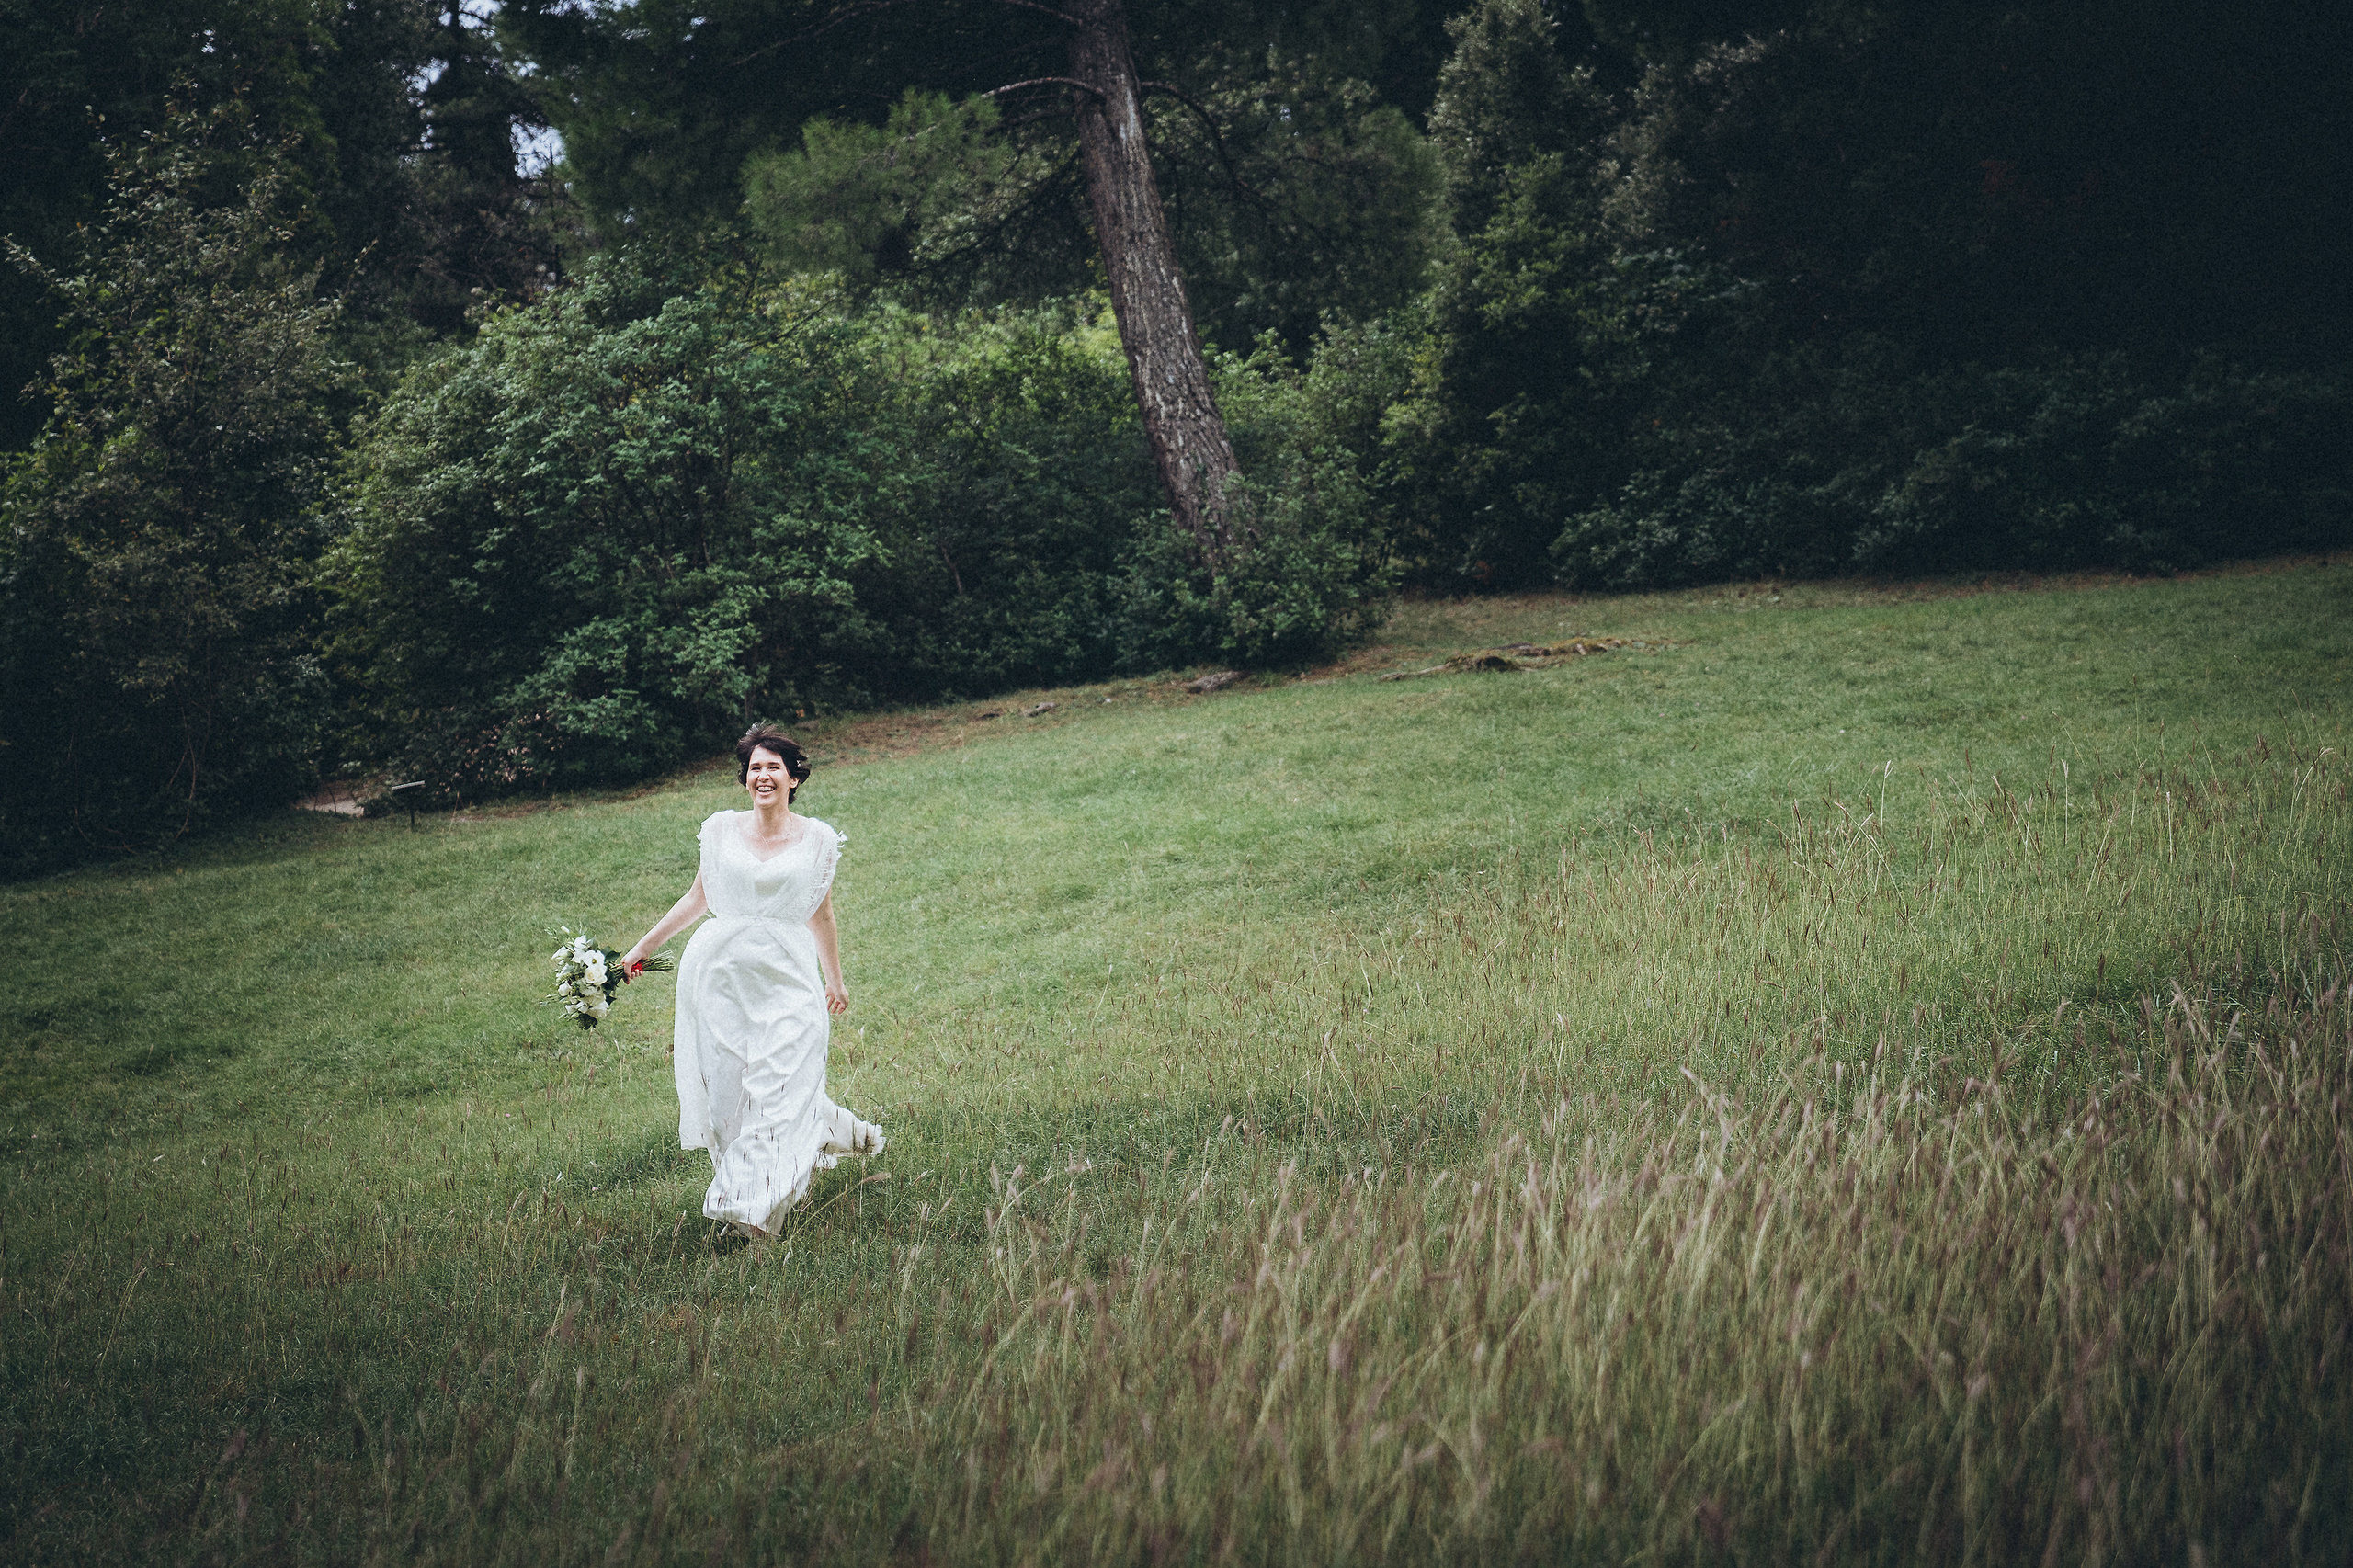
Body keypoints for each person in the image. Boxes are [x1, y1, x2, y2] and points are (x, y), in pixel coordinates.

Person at [622, 723, 884, 1236]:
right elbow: (697, 898)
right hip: (721, 979)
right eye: (754, 768)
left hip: (788, 977)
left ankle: (753, 1213)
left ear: (793, 778)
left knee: (779, 1084)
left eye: (773, 767)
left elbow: (822, 914)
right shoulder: (720, 830)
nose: (763, 776)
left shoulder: (818, 839)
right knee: (728, 1096)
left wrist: (835, 981)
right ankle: (778, 1166)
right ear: (746, 778)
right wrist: (640, 949)